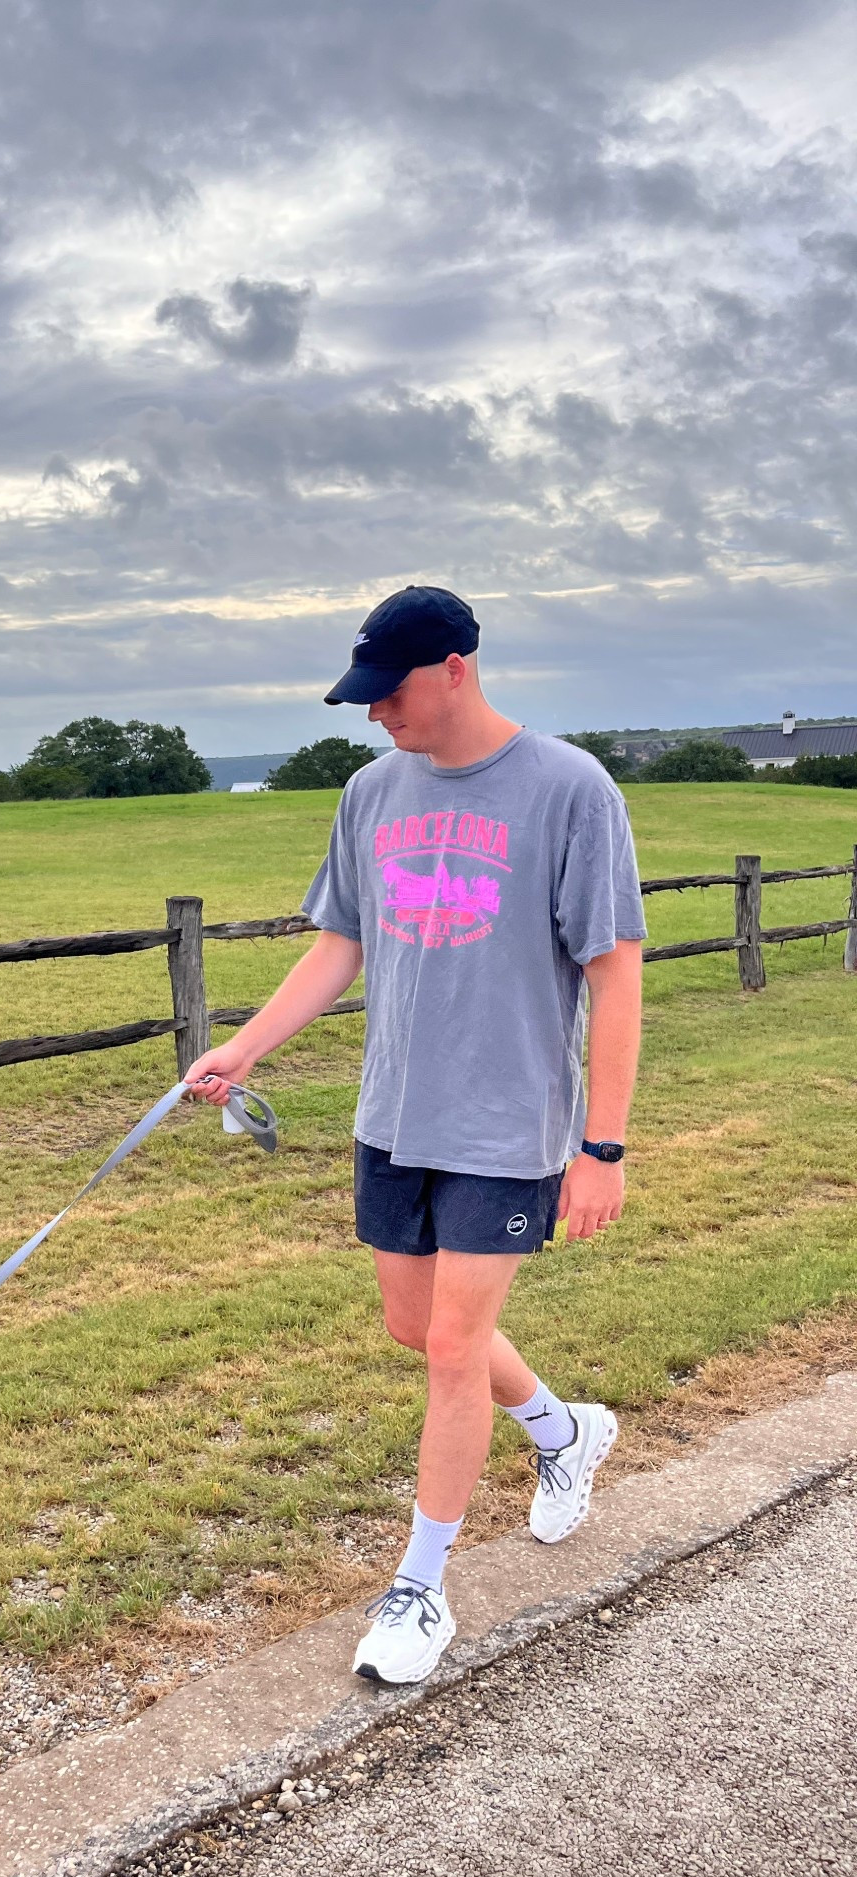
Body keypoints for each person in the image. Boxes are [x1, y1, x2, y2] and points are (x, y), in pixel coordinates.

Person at [186, 586, 645, 1685]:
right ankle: (562, 1430)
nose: (374, 714)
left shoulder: (569, 789)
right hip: (394, 1114)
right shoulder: (369, 792)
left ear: (454, 667)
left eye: (388, 693)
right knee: (415, 1324)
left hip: (507, 1124)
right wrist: (243, 1048)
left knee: (451, 1348)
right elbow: (339, 943)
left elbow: (615, 969)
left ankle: (421, 1587)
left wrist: (603, 1145)